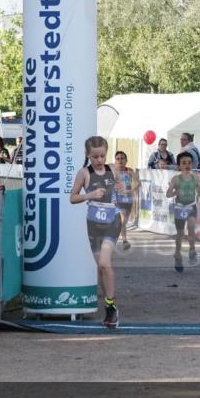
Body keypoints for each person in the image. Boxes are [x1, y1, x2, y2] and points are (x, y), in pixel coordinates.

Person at [70, 136, 124, 328]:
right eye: (95, 157)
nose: (99, 160)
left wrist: (121, 187)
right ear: (88, 155)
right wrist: (90, 195)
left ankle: (111, 305)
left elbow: (120, 188)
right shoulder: (84, 173)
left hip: (112, 221)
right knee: (101, 268)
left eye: (102, 156)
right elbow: (73, 197)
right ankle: (109, 305)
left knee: (104, 263)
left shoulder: (113, 169)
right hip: (93, 224)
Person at [165, 150, 200, 272]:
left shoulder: (196, 178)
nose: (187, 165)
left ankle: (192, 250)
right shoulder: (176, 179)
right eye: (184, 163)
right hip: (179, 207)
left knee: (191, 227)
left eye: (189, 162)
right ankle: (177, 255)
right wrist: (175, 192)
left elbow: (199, 191)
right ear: (179, 166)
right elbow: (168, 194)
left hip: (191, 206)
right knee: (180, 233)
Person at [113, 150, 138, 249]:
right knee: (122, 219)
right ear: (115, 161)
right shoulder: (113, 172)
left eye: (122, 158)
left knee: (124, 222)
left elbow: (137, 183)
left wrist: (131, 190)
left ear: (126, 160)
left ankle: (116, 238)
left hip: (128, 200)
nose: (120, 160)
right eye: (118, 159)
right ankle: (124, 241)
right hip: (117, 200)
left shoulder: (129, 171)